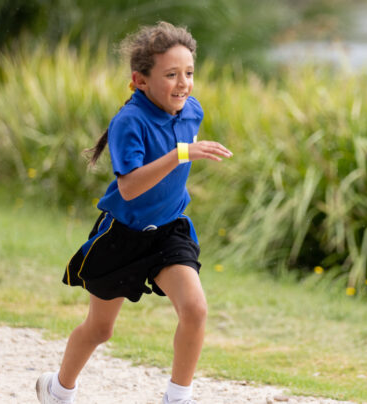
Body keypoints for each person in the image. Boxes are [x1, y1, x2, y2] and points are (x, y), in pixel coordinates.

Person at [36, 21, 232, 404]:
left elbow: (175, 161)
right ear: (140, 81)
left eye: (189, 73)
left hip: (169, 231)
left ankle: (177, 398)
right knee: (100, 330)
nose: (183, 84)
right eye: (171, 74)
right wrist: (180, 154)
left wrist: (183, 152)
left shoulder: (192, 112)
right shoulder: (129, 122)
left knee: (195, 309)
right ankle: (58, 389)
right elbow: (130, 187)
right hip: (122, 235)